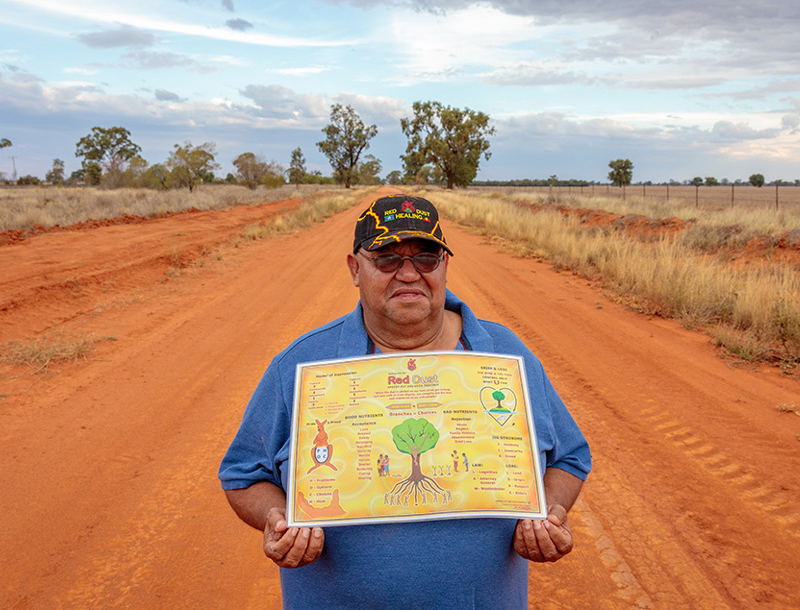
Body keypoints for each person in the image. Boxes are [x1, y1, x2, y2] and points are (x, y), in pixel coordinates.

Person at [219, 194, 591, 610]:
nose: (409, 274)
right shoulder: (302, 365)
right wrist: (276, 517)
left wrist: (550, 510)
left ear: (445, 266)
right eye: (387, 260)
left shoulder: (506, 356)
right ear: (354, 269)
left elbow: (569, 458)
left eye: (426, 259)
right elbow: (242, 474)